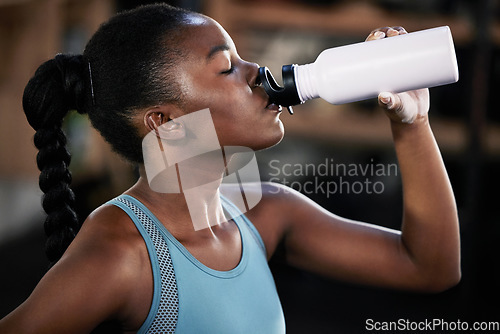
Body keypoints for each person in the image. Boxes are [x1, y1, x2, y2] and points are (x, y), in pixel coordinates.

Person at [0, 3, 460, 333]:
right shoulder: (123, 253)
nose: (257, 71)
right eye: (227, 69)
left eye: (242, 57)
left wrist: (413, 122)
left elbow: (430, 267)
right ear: (168, 123)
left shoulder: (264, 213)